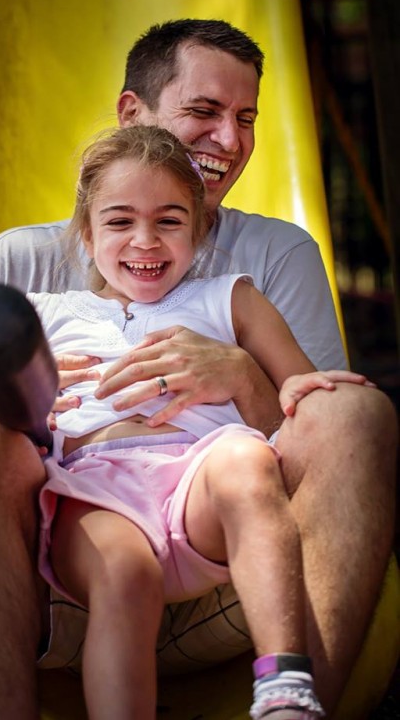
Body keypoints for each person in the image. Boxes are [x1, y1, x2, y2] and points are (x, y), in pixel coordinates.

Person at [0, 19, 396, 717]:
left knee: (356, 411)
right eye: (203, 111)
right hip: (58, 570)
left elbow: (320, 436)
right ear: (133, 114)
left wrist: (244, 378)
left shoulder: (266, 264)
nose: (229, 140)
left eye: (246, 118)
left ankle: (294, 693)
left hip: (232, 576)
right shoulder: (19, 271)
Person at [26, 124, 337, 720]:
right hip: (95, 488)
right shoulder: (46, 315)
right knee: (124, 575)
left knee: (243, 459)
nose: (146, 240)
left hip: (202, 483)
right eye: (119, 222)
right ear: (87, 236)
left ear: (197, 231)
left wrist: (307, 387)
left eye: (169, 221)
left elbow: (298, 382)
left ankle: (284, 685)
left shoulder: (231, 298)